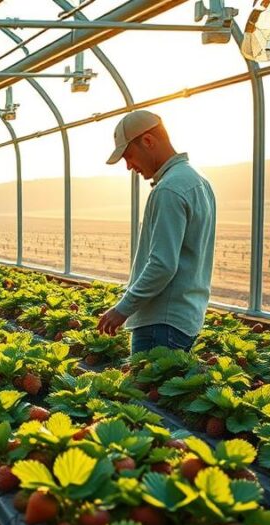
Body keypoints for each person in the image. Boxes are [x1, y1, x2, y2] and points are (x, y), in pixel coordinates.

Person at [96, 110, 216, 355]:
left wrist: (122, 309)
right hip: (185, 318)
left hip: (161, 322)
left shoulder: (168, 189)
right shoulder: (197, 180)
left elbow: (162, 265)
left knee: (142, 392)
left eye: (129, 156)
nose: (129, 166)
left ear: (148, 142)